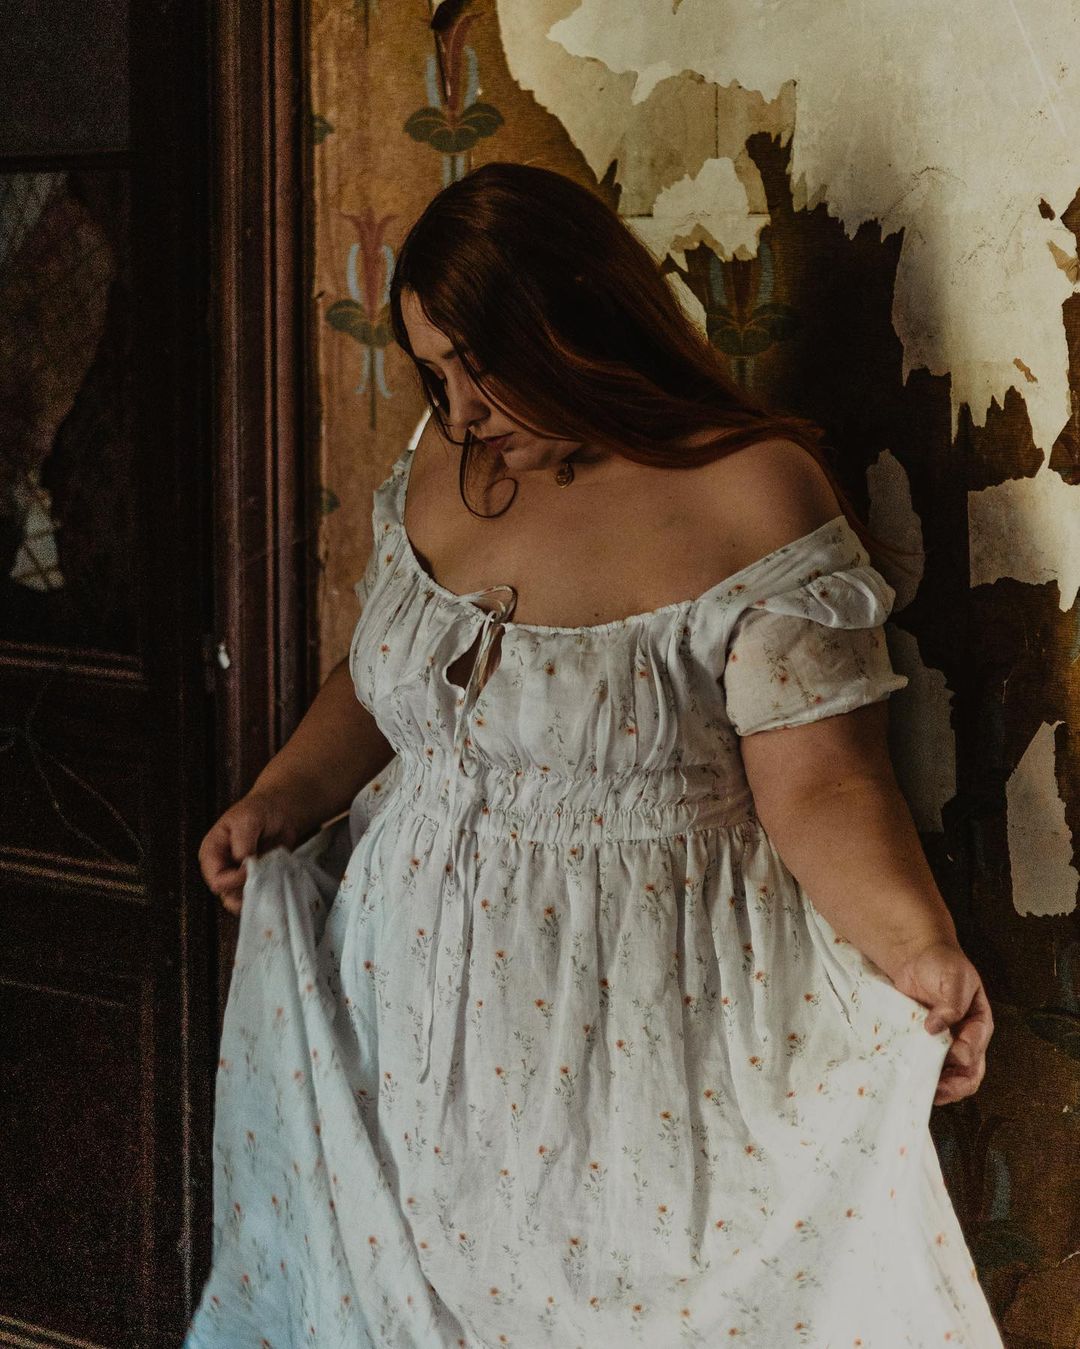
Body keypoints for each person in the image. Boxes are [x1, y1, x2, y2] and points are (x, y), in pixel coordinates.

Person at [185, 162, 1001, 1347]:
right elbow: (386, 678)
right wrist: (282, 793)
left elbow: (826, 782)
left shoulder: (748, 491)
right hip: (405, 1019)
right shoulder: (447, 464)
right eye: (435, 371)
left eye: (481, 362)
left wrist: (920, 947)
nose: (461, 409)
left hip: (634, 1035)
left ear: (579, 316)